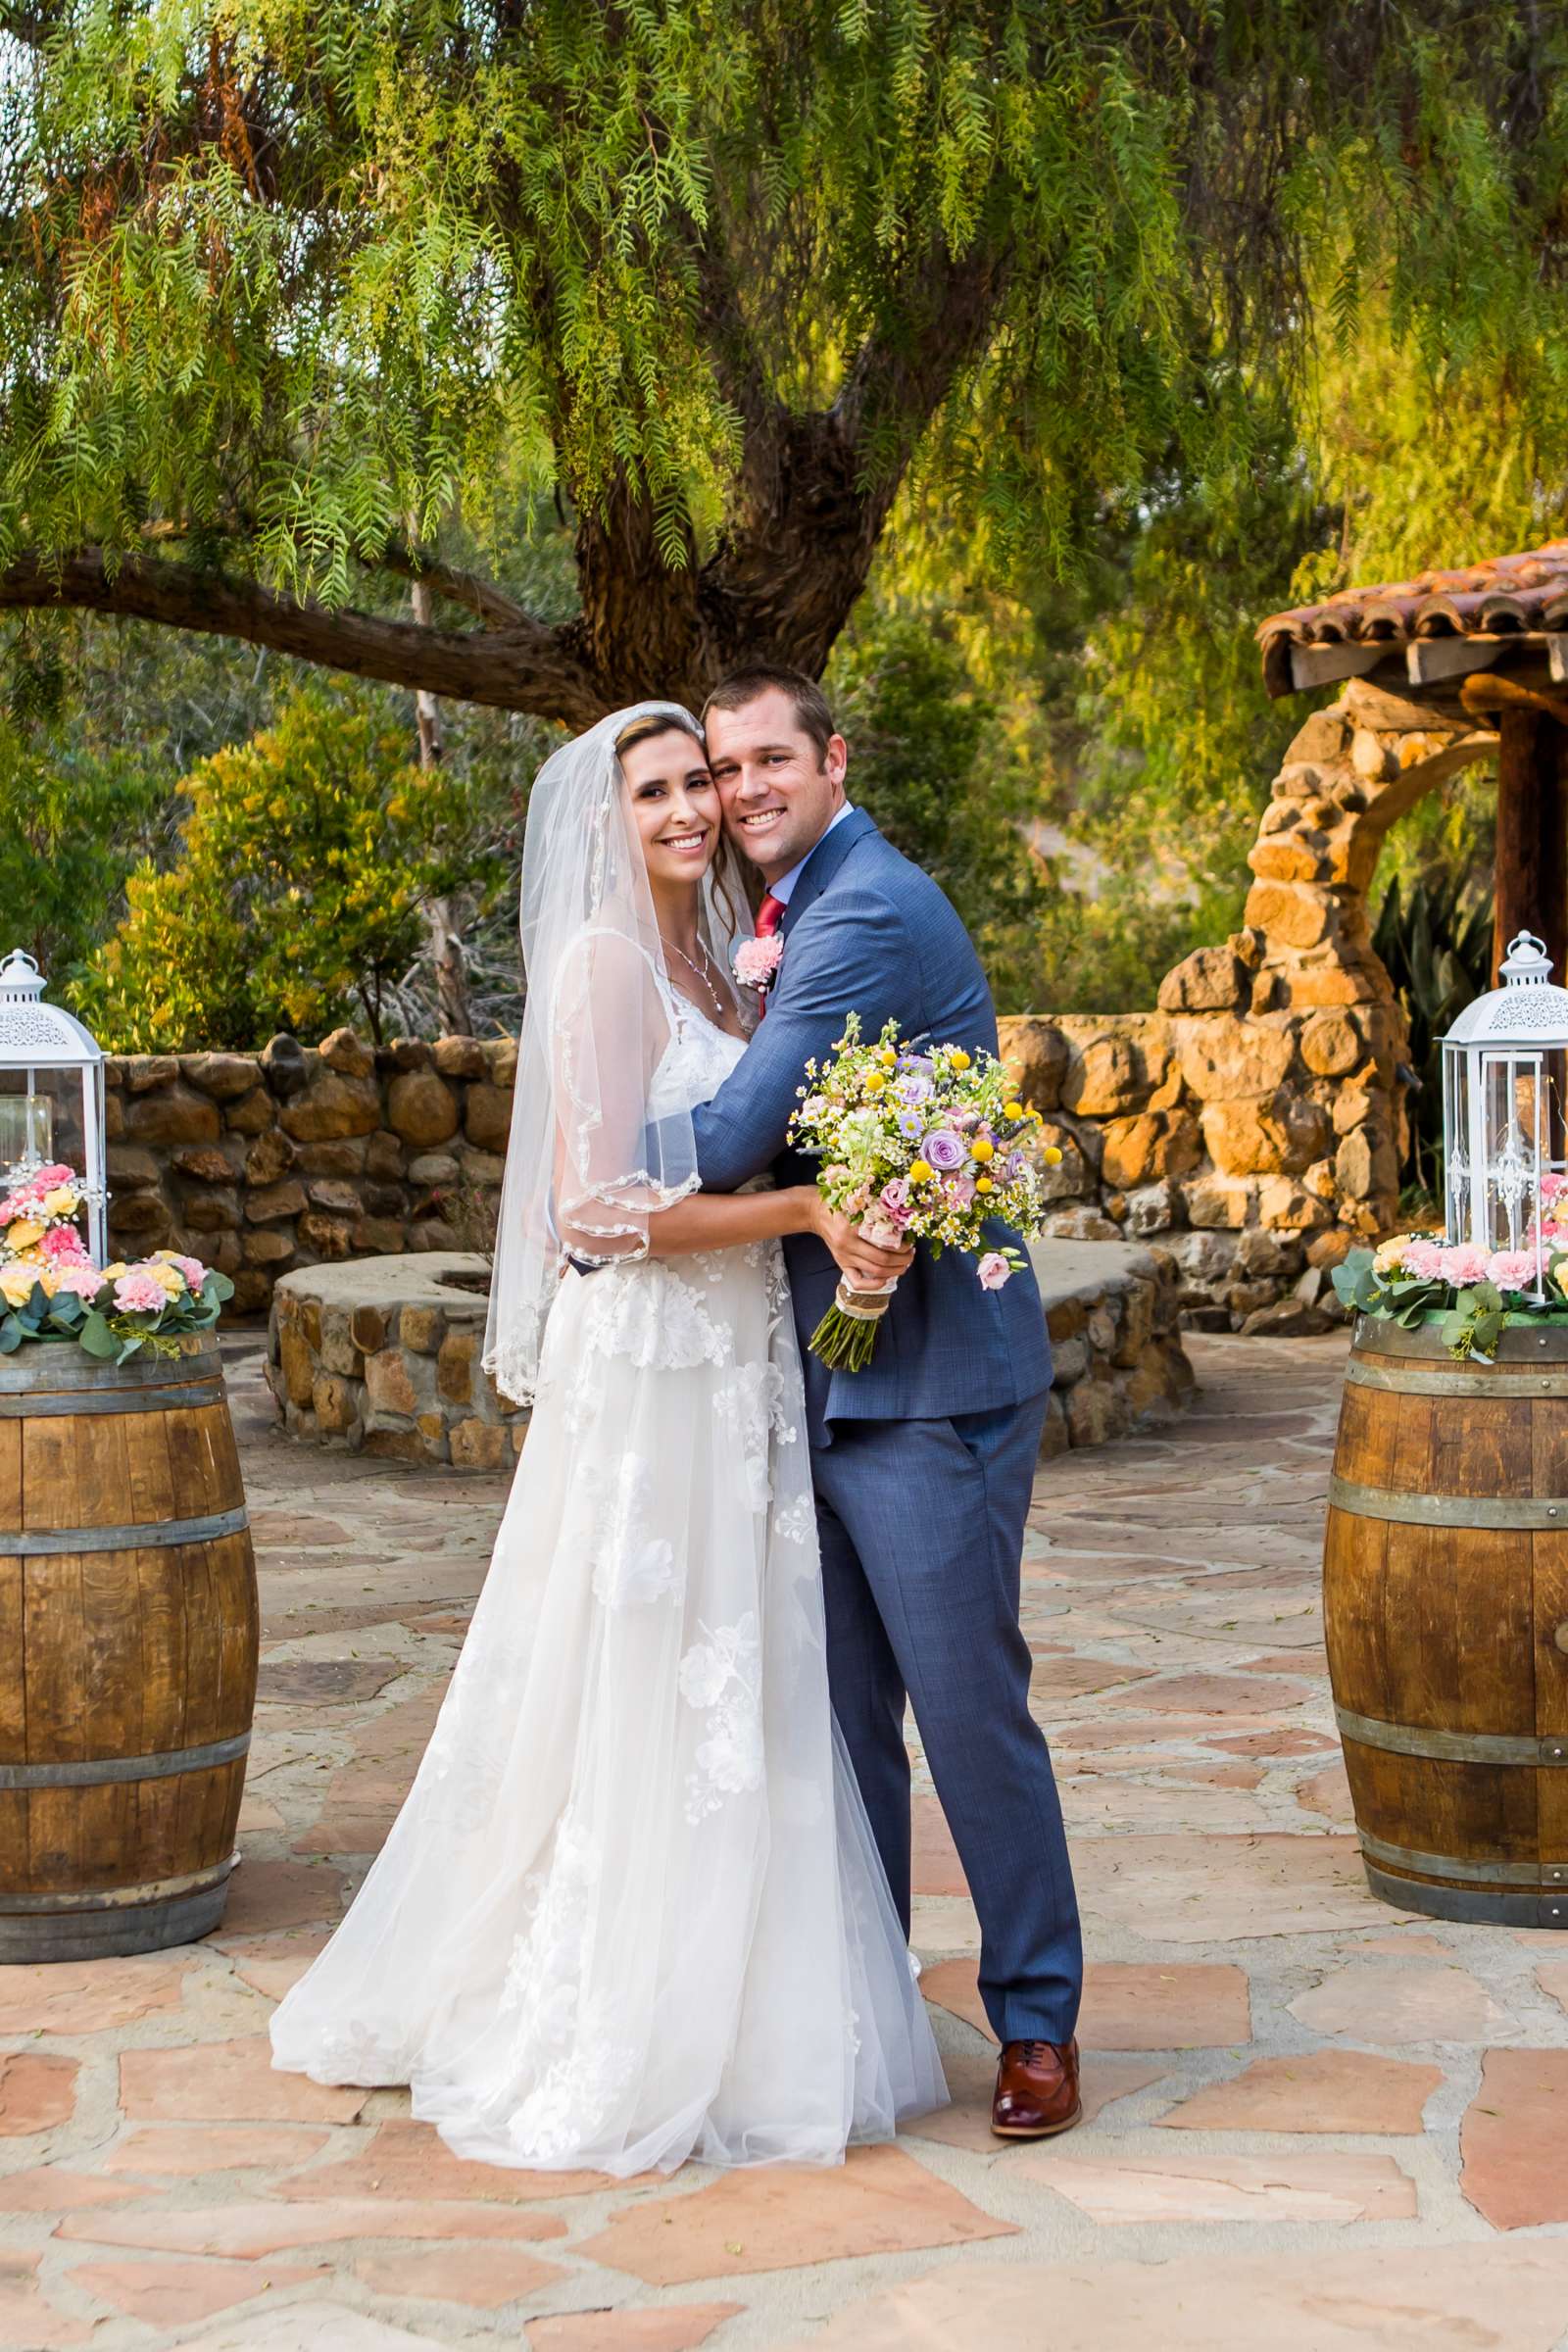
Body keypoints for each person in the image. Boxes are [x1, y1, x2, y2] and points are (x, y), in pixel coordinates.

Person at [269, 702, 946, 2175]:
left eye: (699, 779)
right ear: (604, 819)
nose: (692, 807)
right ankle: (619, 1998)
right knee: (646, 1664)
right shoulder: (602, 966)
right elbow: (591, 1210)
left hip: (738, 1358)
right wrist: (800, 1213)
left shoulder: (722, 952)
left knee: (744, 1664)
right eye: (656, 790)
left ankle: (755, 1984)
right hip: (653, 1369)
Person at [693, 665, 1083, 2140]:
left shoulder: (862, 909)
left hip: (931, 1392)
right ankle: (865, 2004)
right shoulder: (775, 913)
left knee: (971, 1716)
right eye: (726, 771)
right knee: (847, 1723)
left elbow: (734, 1138)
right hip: (826, 1384)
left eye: (768, 759)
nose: (744, 792)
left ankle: (1037, 2022)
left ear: (832, 757)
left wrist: (595, 1143)